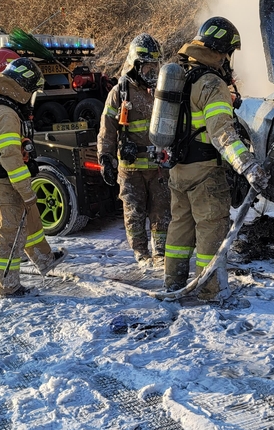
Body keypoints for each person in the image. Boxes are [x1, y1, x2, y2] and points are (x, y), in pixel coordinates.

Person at [163, 17, 269, 301]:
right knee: (211, 232)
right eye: (229, 52)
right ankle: (210, 292)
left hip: (178, 168)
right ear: (222, 49)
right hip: (205, 173)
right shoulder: (211, 83)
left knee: (180, 229)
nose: (229, 59)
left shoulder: (182, 75)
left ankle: (173, 283)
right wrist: (247, 166)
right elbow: (222, 133)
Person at [0, 58, 67, 297]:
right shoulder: (5, 113)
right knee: (8, 233)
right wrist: (27, 192)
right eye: (32, 90)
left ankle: (43, 258)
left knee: (22, 223)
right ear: (23, 87)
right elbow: (11, 160)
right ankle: (7, 287)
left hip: (0, 177)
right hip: (0, 179)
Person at [97, 33, 171, 265]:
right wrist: (105, 158)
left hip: (158, 167)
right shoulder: (120, 93)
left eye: (155, 67)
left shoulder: (162, 91)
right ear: (136, 66)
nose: (153, 73)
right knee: (134, 213)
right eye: (148, 68)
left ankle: (160, 253)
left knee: (162, 213)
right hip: (130, 169)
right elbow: (107, 129)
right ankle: (141, 254)